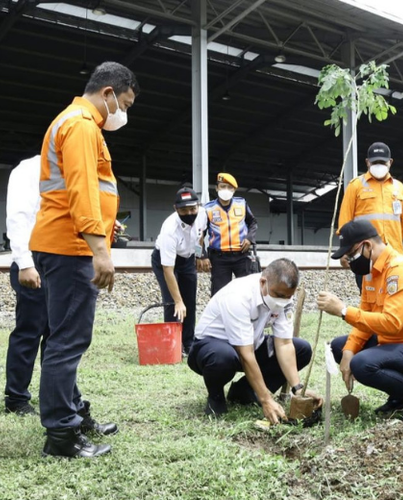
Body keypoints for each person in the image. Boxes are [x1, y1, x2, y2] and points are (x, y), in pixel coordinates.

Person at [29, 61, 139, 458]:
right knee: (69, 340)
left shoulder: (78, 123)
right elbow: (81, 191)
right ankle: (61, 435)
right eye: (124, 104)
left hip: (62, 242)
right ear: (108, 93)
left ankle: (73, 411)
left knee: (62, 337)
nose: (123, 114)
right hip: (70, 246)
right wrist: (100, 249)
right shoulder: (80, 125)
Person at [316, 220, 403, 422]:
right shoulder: (371, 273)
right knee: (340, 347)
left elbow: (391, 323)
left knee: (362, 364)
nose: (350, 261)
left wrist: (343, 311)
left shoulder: (400, 270)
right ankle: (401, 396)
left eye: (351, 254)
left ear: (367, 246)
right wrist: (348, 351)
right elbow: (366, 318)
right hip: (398, 344)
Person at [188, 258, 321, 423]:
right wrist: (266, 400)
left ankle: (245, 392)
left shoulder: (284, 297)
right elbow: (245, 354)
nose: (283, 300)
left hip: (250, 344)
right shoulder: (238, 295)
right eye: (279, 295)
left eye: (288, 296)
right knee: (223, 357)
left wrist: (298, 388)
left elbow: (284, 344)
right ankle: (216, 397)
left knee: (302, 349)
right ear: (263, 282)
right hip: (210, 348)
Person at [338, 142, 403, 291]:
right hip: (366, 257)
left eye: (382, 162)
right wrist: (344, 252)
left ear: (390, 162)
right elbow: (345, 221)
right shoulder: (356, 186)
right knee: (370, 300)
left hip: (395, 257)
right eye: (375, 162)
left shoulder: (399, 188)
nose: (378, 165)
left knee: (394, 298)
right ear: (367, 162)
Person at [4, 155, 47, 416]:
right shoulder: (30, 168)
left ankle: (54, 394)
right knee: (30, 330)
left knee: (57, 334)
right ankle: (17, 398)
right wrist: (24, 262)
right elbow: (19, 216)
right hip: (34, 259)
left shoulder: (73, 164)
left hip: (58, 261)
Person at [152, 186, 208, 355]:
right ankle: (173, 344)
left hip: (188, 259)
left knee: (189, 300)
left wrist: (199, 255)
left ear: (198, 205)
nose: (189, 213)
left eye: (193, 208)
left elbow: (200, 236)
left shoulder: (203, 214)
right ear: (175, 209)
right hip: (166, 261)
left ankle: (188, 343)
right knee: (172, 302)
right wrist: (178, 301)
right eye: (184, 210)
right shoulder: (169, 229)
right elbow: (168, 270)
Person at [201, 172, 258, 296]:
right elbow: (200, 233)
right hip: (219, 258)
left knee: (247, 292)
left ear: (234, 190)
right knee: (219, 294)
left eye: (229, 187)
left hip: (242, 256)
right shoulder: (208, 209)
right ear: (216, 188)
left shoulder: (242, 204)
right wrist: (202, 255)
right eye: (222, 186)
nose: (225, 190)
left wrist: (249, 239)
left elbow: (253, 222)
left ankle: (246, 316)